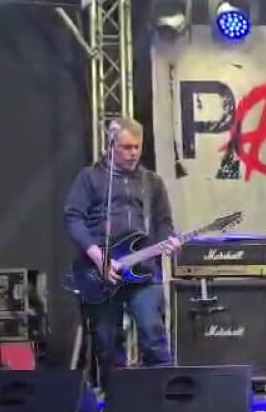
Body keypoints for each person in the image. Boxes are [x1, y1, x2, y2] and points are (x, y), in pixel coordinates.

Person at [63, 117, 182, 391]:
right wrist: (98, 256)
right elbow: (73, 218)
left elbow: (164, 223)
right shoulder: (90, 178)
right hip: (99, 270)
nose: (133, 153)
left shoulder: (151, 183)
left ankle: (168, 395)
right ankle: (115, 398)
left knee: (153, 332)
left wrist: (168, 241)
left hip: (142, 269)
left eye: (137, 147)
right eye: (126, 147)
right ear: (111, 146)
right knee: (106, 342)